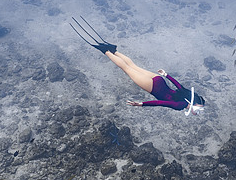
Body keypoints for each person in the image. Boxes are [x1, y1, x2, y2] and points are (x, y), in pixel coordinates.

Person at [70, 16, 205, 115]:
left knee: (132, 66)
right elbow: (161, 103)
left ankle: (113, 50)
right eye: (199, 109)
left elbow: (178, 85)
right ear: (194, 105)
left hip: (159, 81)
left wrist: (165, 75)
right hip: (153, 87)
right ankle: (105, 51)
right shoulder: (180, 105)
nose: (198, 113)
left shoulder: (184, 96)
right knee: (127, 68)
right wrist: (142, 104)